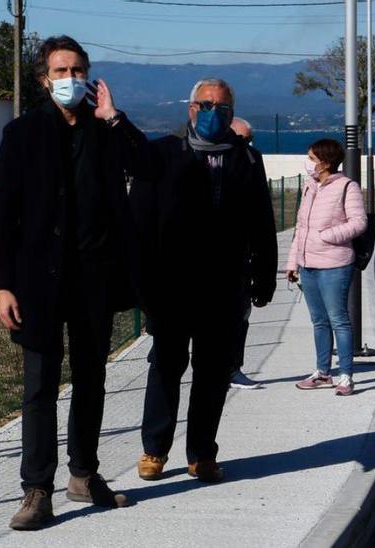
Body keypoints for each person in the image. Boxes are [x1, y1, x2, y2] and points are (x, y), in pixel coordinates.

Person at [0, 35, 133, 530]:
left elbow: (149, 167)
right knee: (40, 387)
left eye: (77, 70)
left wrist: (113, 117)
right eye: (60, 70)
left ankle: (84, 474)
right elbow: (3, 215)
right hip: (38, 283)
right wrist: (3, 285)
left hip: (95, 279)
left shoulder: (105, 131)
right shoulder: (22, 133)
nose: (70, 79)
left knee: (92, 380)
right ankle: (36, 489)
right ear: (43, 78)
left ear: (89, 76)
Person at [109, 78, 278, 484]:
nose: (212, 113)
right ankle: (155, 449)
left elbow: (262, 222)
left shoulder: (247, 160)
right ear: (191, 109)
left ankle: (202, 453)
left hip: (224, 289)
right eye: (205, 105)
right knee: (166, 366)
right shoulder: (164, 155)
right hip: (171, 288)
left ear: (232, 112)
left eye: (221, 107)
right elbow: (140, 223)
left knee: (213, 373)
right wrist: (141, 285)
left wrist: (264, 277)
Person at [287, 138, 368, 396]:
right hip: (308, 264)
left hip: (335, 264)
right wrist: (293, 262)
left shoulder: (347, 186)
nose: (308, 162)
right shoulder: (310, 186)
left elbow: (358, 223)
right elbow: (300, 228)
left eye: (311, 158)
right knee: (319, 321)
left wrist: (326, 236)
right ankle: (323, 372)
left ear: (325, 162)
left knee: (338, 320)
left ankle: (345, 375)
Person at [227, 116, 264, 390]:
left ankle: (232, 368)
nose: (247, 145)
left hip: (240, 261)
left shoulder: (252, 163)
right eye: (243, 139)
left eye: (250, 139)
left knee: (240, 316)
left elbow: (261, 217)